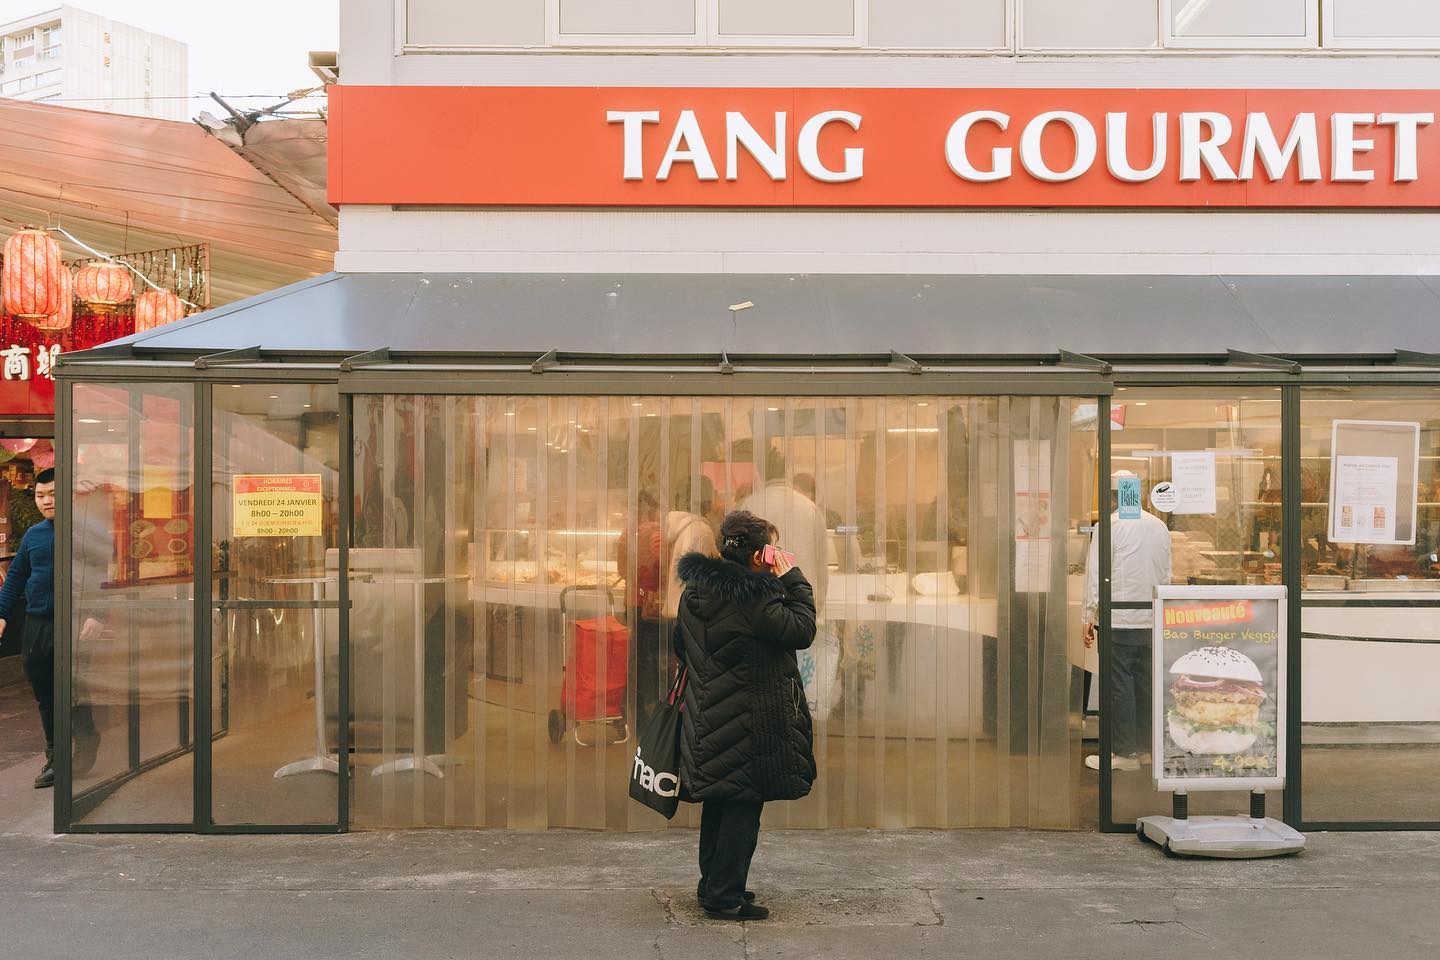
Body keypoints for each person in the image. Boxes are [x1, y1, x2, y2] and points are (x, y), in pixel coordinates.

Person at [673, 510, 817, 922]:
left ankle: (713, 885)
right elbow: (802, 630)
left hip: (708, 718)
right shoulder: (757, 597)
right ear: (759, 555)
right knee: (743, 807)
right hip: (751, 723)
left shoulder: (694, 591)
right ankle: (724, 897)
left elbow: (680, 645)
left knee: (718, 802)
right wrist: (792, 579)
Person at [0, 469, 100, 788]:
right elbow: (16, 577)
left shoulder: (89, 531)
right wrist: (1, 613)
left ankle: (85, 742)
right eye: (40, 496)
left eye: (53, 494)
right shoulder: (34, 535)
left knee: (73, 690)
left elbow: (105, 573)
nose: (46, 501)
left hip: (75, 623)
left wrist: (97, 614)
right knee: (45, 693)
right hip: (36, 624)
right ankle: (56, 756)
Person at [1082, 471, 1172, 773]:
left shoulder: (1109, 526)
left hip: (1119, 618)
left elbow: (1096, 574)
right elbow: (1165, 574)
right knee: (1145, 684)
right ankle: (1146, 749)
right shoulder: (1160, 526)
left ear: (1111, 496)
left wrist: (1088, 615)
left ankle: (1124, 752)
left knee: (1119, 685)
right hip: (1151, 617)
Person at [616, 491, 665, 729]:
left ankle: (630, 708)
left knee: (636, 657)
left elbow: (623, 571)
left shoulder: (627, 534)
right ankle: (649, 711)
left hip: (631, 603)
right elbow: (660, 570)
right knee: (654, 660)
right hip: (653, 608)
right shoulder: (656, 533)